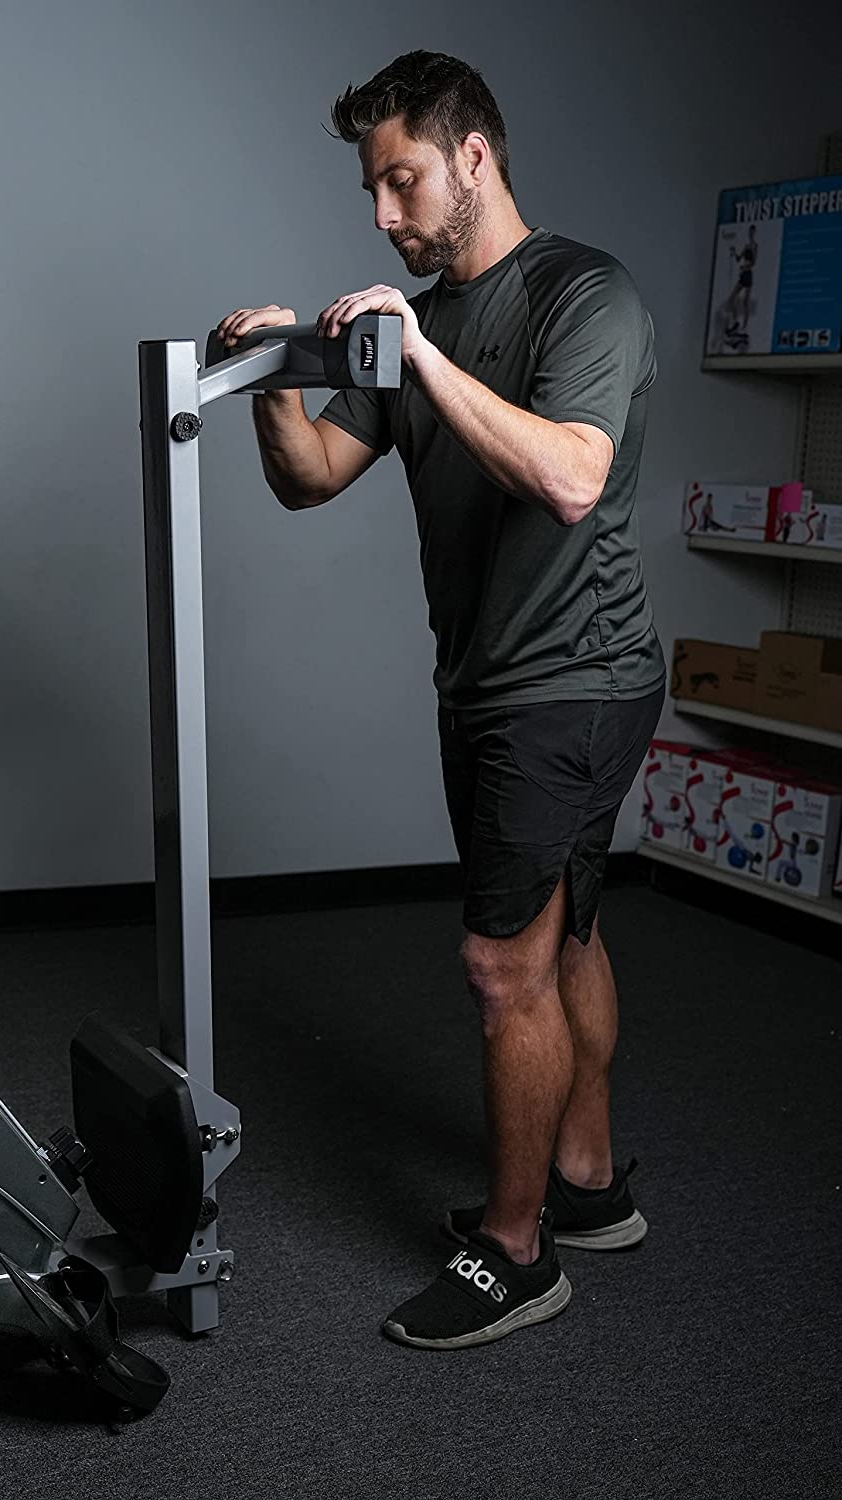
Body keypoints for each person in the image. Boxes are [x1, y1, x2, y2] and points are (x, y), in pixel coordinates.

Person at [215, 50, 665, 1350]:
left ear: (475, 157)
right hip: (488, 677)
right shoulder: (409, 325)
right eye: (370, 188)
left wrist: (417, 355)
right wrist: (272, 377)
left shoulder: (584, 296)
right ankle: (589, 1185)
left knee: (501, 962)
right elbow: (310, 475)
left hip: (573, 679)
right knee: (565, 933)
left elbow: (571, 477)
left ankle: (515, 1253)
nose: (382, 214)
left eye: (401, 180)